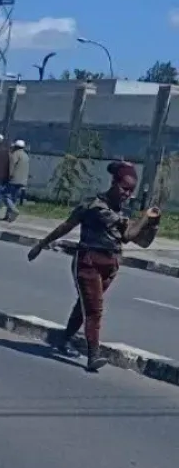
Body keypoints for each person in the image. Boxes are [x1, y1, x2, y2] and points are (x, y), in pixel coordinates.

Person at [28, 160, 161, 373]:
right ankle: (93, 356)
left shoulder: (120, 210)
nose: (127, 193)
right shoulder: (95, 206)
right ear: (114, 182)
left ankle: (63, 339)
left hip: (111, 264)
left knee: (85, 305)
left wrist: (153, 223)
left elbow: (142, 242)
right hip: (88, 262)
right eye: (124, 188)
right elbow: (67, 226)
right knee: (94, 310)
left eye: (131, 191)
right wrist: (41, 245)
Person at [5, 139, 29, 220]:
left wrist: (8, 176)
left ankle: (14, 210)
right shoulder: (26, 155)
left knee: (6, 196)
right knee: (13, 199)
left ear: (15, 146)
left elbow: (11, 166)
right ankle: (8, 216)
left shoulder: (15, 154)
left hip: (13, 180)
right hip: (22, 181)